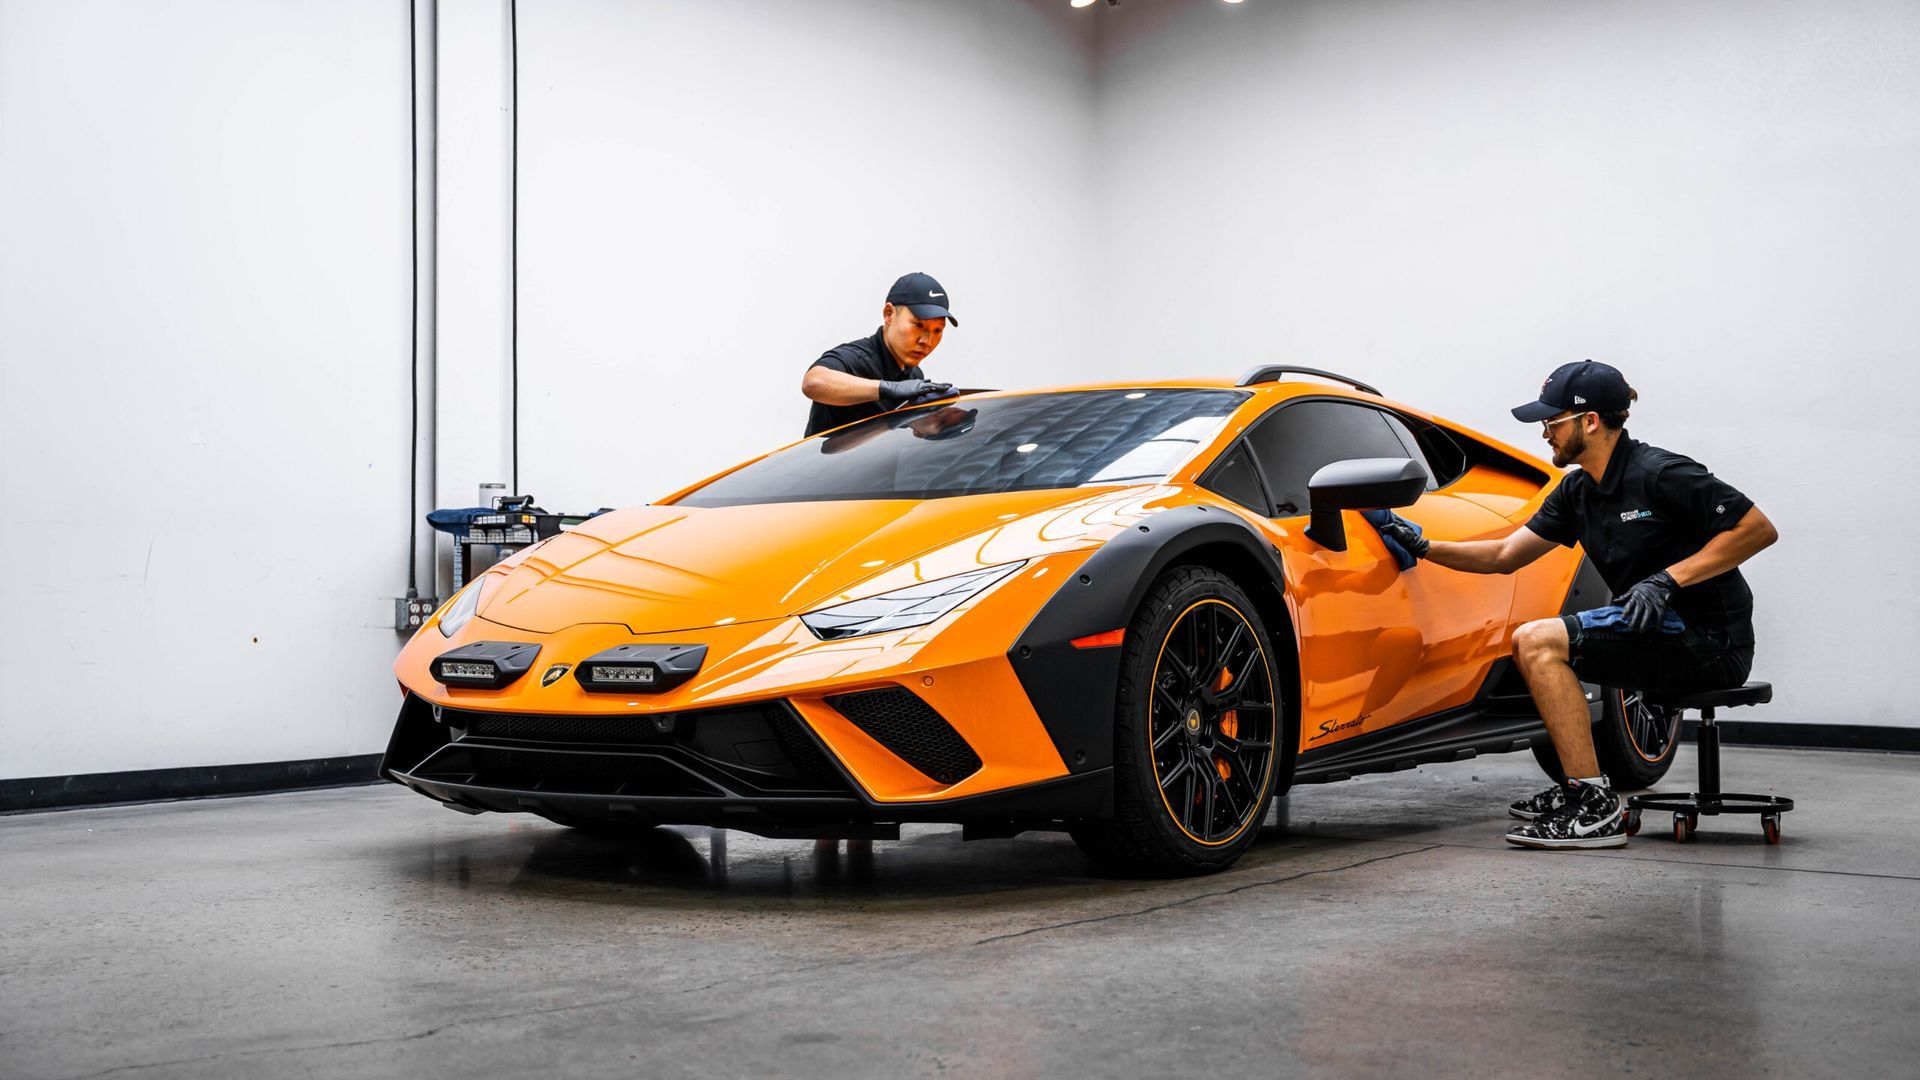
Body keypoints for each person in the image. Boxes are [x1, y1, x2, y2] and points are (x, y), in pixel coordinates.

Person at [1380, 360, 1778, 850]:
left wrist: (1667, 581)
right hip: (1657, 635)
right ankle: (1581, 787)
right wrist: (1425, 547)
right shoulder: (1575, 492)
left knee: (1537, 640)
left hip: (1712, 643)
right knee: (1532, 642)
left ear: (1589, 421)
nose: (1544, 431)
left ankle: (1593, 805)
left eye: (1553, 420)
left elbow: (1758, 529)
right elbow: (1506, 554)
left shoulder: (1661, 473)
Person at [801, 272, 958, 437]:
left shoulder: (914, 376)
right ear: (889, 314)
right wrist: (889, 389)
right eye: (918, 325)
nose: (927, 340)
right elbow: (813, 382)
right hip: (828, 462)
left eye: (938, 330)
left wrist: (933, 425)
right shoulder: (856, 357)